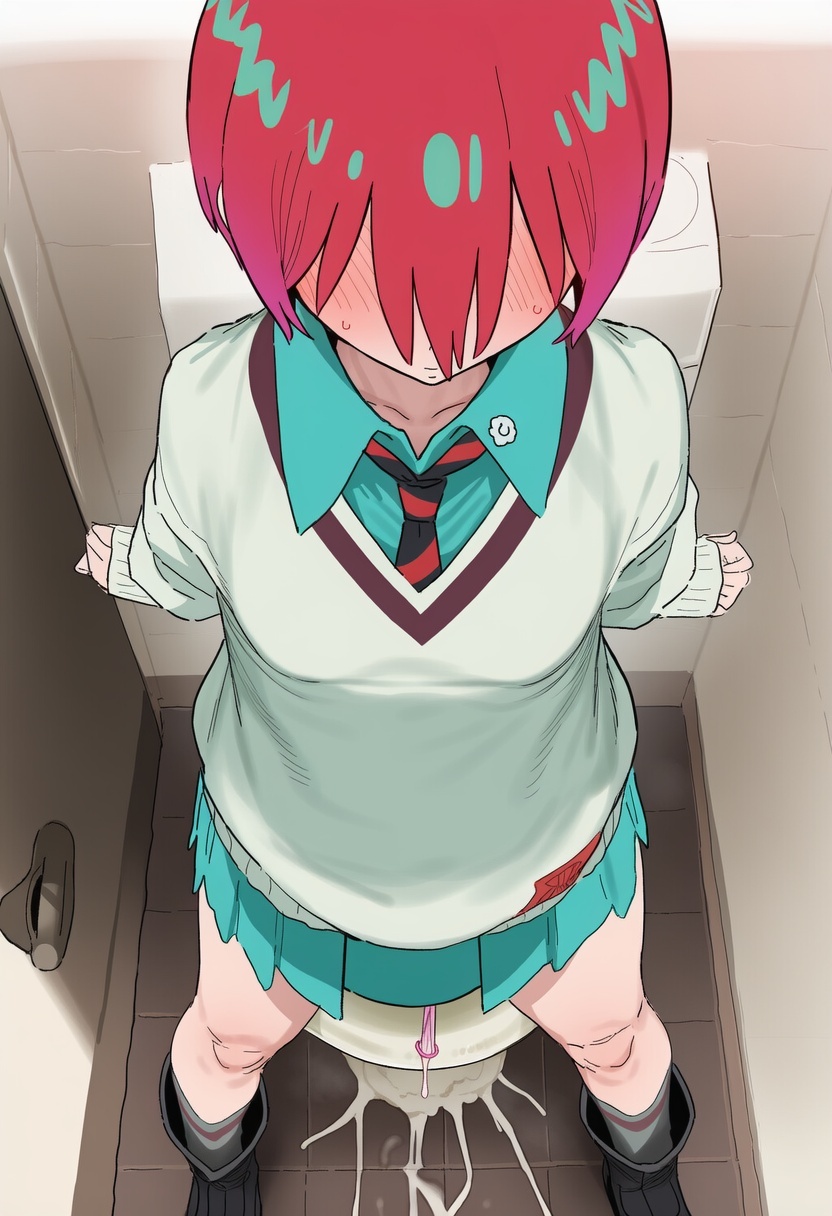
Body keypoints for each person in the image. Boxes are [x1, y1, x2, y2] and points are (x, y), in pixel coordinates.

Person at [77, 2, 752, 1213]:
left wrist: (695, 575)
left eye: (510, 238)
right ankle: (218, 1170)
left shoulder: (633, 404)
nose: (429, 334)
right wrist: (134, 562)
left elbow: (638, 578)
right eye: (363, 243)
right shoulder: (214, 406)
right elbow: (184, 568)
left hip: (545, 860)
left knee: (617, 1040)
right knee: (223, 1044)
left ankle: (644, 1160)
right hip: (288, 865)